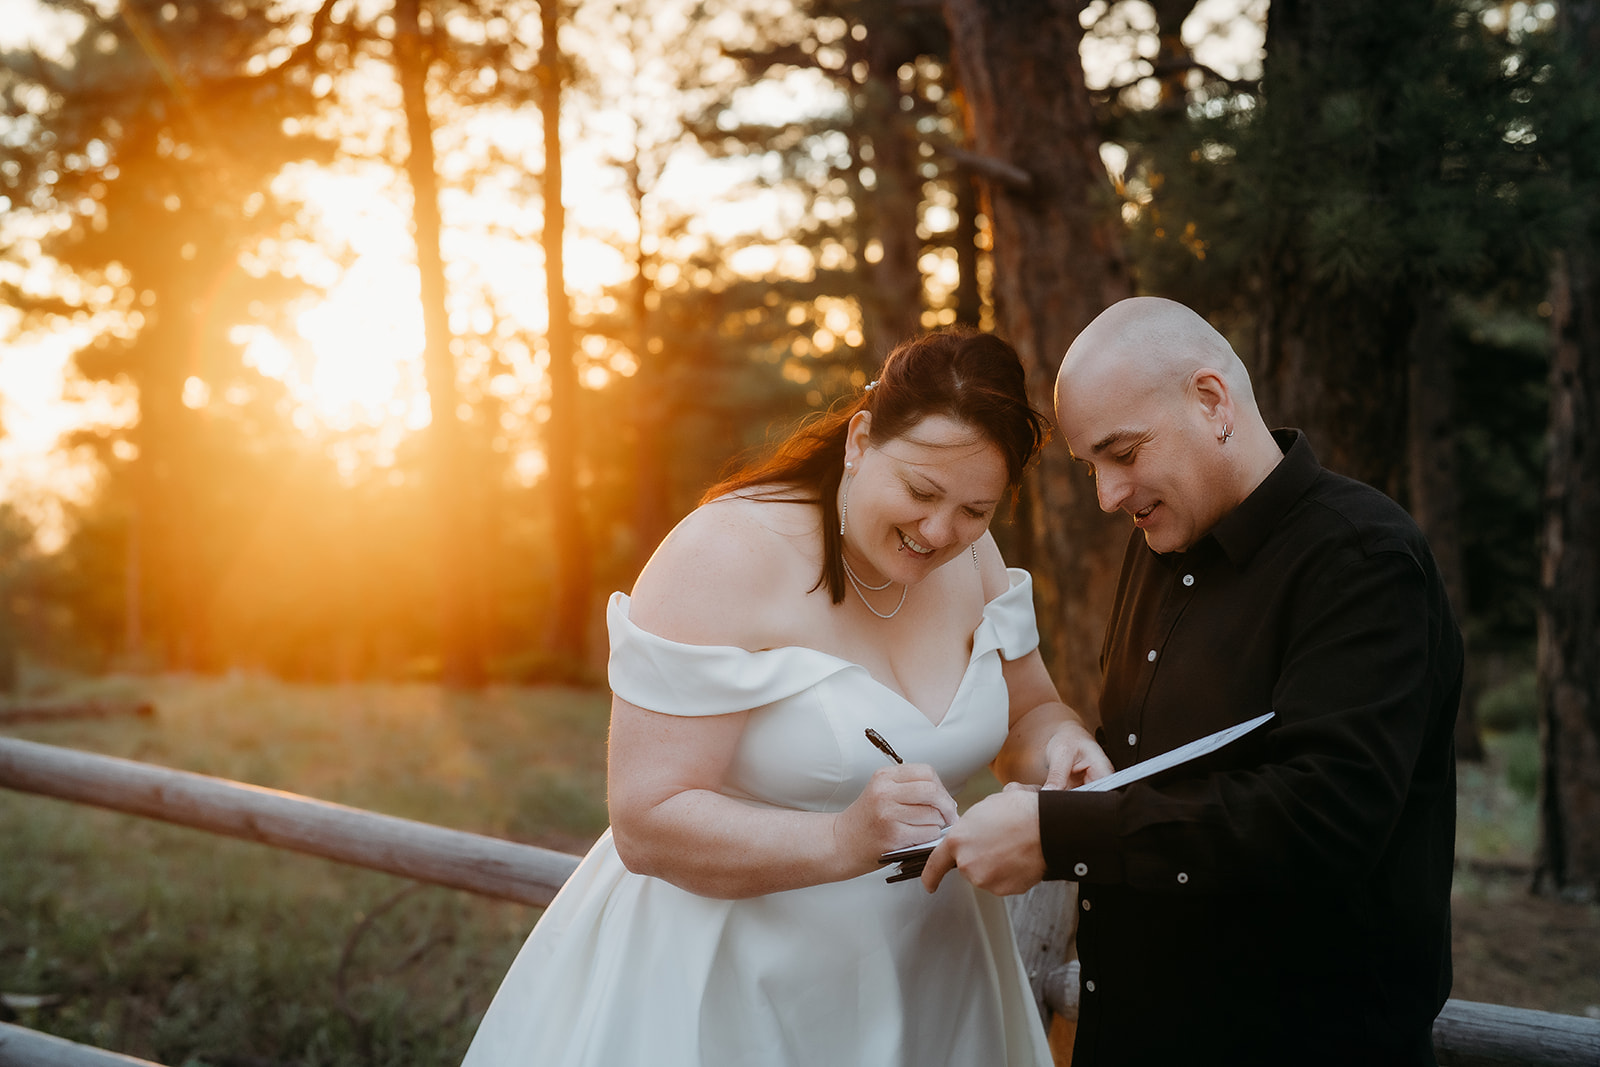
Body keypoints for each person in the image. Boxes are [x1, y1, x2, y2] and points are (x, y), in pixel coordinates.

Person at [460, 327, 1112, 1067]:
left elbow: (1028, 712)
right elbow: (646, 818)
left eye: (975, 509)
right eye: (920, 491)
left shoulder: (975, 557)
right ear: (861, 439)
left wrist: (1060, 745)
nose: (939, 532)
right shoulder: (723, 553)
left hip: (937, 980)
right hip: (734, 992)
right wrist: (843, 839)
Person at [923, 297, 1463, 1065]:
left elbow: (1327, 818)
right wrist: (1086, 762)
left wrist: (1061, 833)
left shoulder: (1362, 558)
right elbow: (1167, 765)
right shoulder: (1157, 544)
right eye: (1091, 467)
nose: (1108, 495)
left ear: (1211, 401)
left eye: (1124, 453)